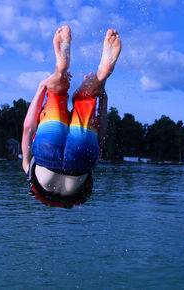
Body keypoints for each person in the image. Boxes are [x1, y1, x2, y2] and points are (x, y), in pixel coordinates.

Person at [21, 25, 121, 208]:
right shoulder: (29, 172)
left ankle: (100, 76)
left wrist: (103, 97)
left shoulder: (76, 197)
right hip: (47, 149)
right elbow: (28, 128)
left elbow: (101, 138)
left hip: (82, 157)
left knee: (87, 97)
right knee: (57, 93)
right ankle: (60, 71)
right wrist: (42, 87)